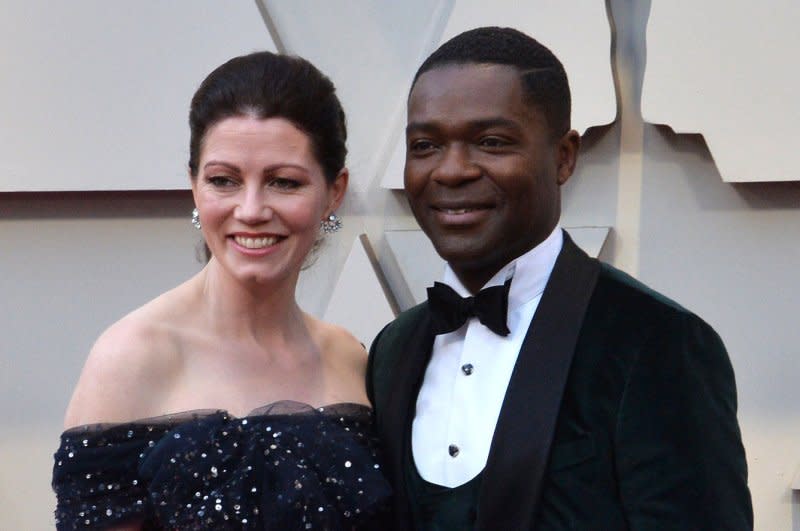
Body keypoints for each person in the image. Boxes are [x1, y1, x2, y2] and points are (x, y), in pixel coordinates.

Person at [367, 27, 752, 530]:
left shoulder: (658, 343)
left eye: (491, 142)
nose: (451, 170)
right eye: (425, 145)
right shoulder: (392, 349)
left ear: (564, 157)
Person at [53, 51, 391, 530]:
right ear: (194, 186)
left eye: (283, 182)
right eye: (224, 180)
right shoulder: (131, 357)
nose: (251, 209)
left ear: (334, 192)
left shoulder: (349, 356)